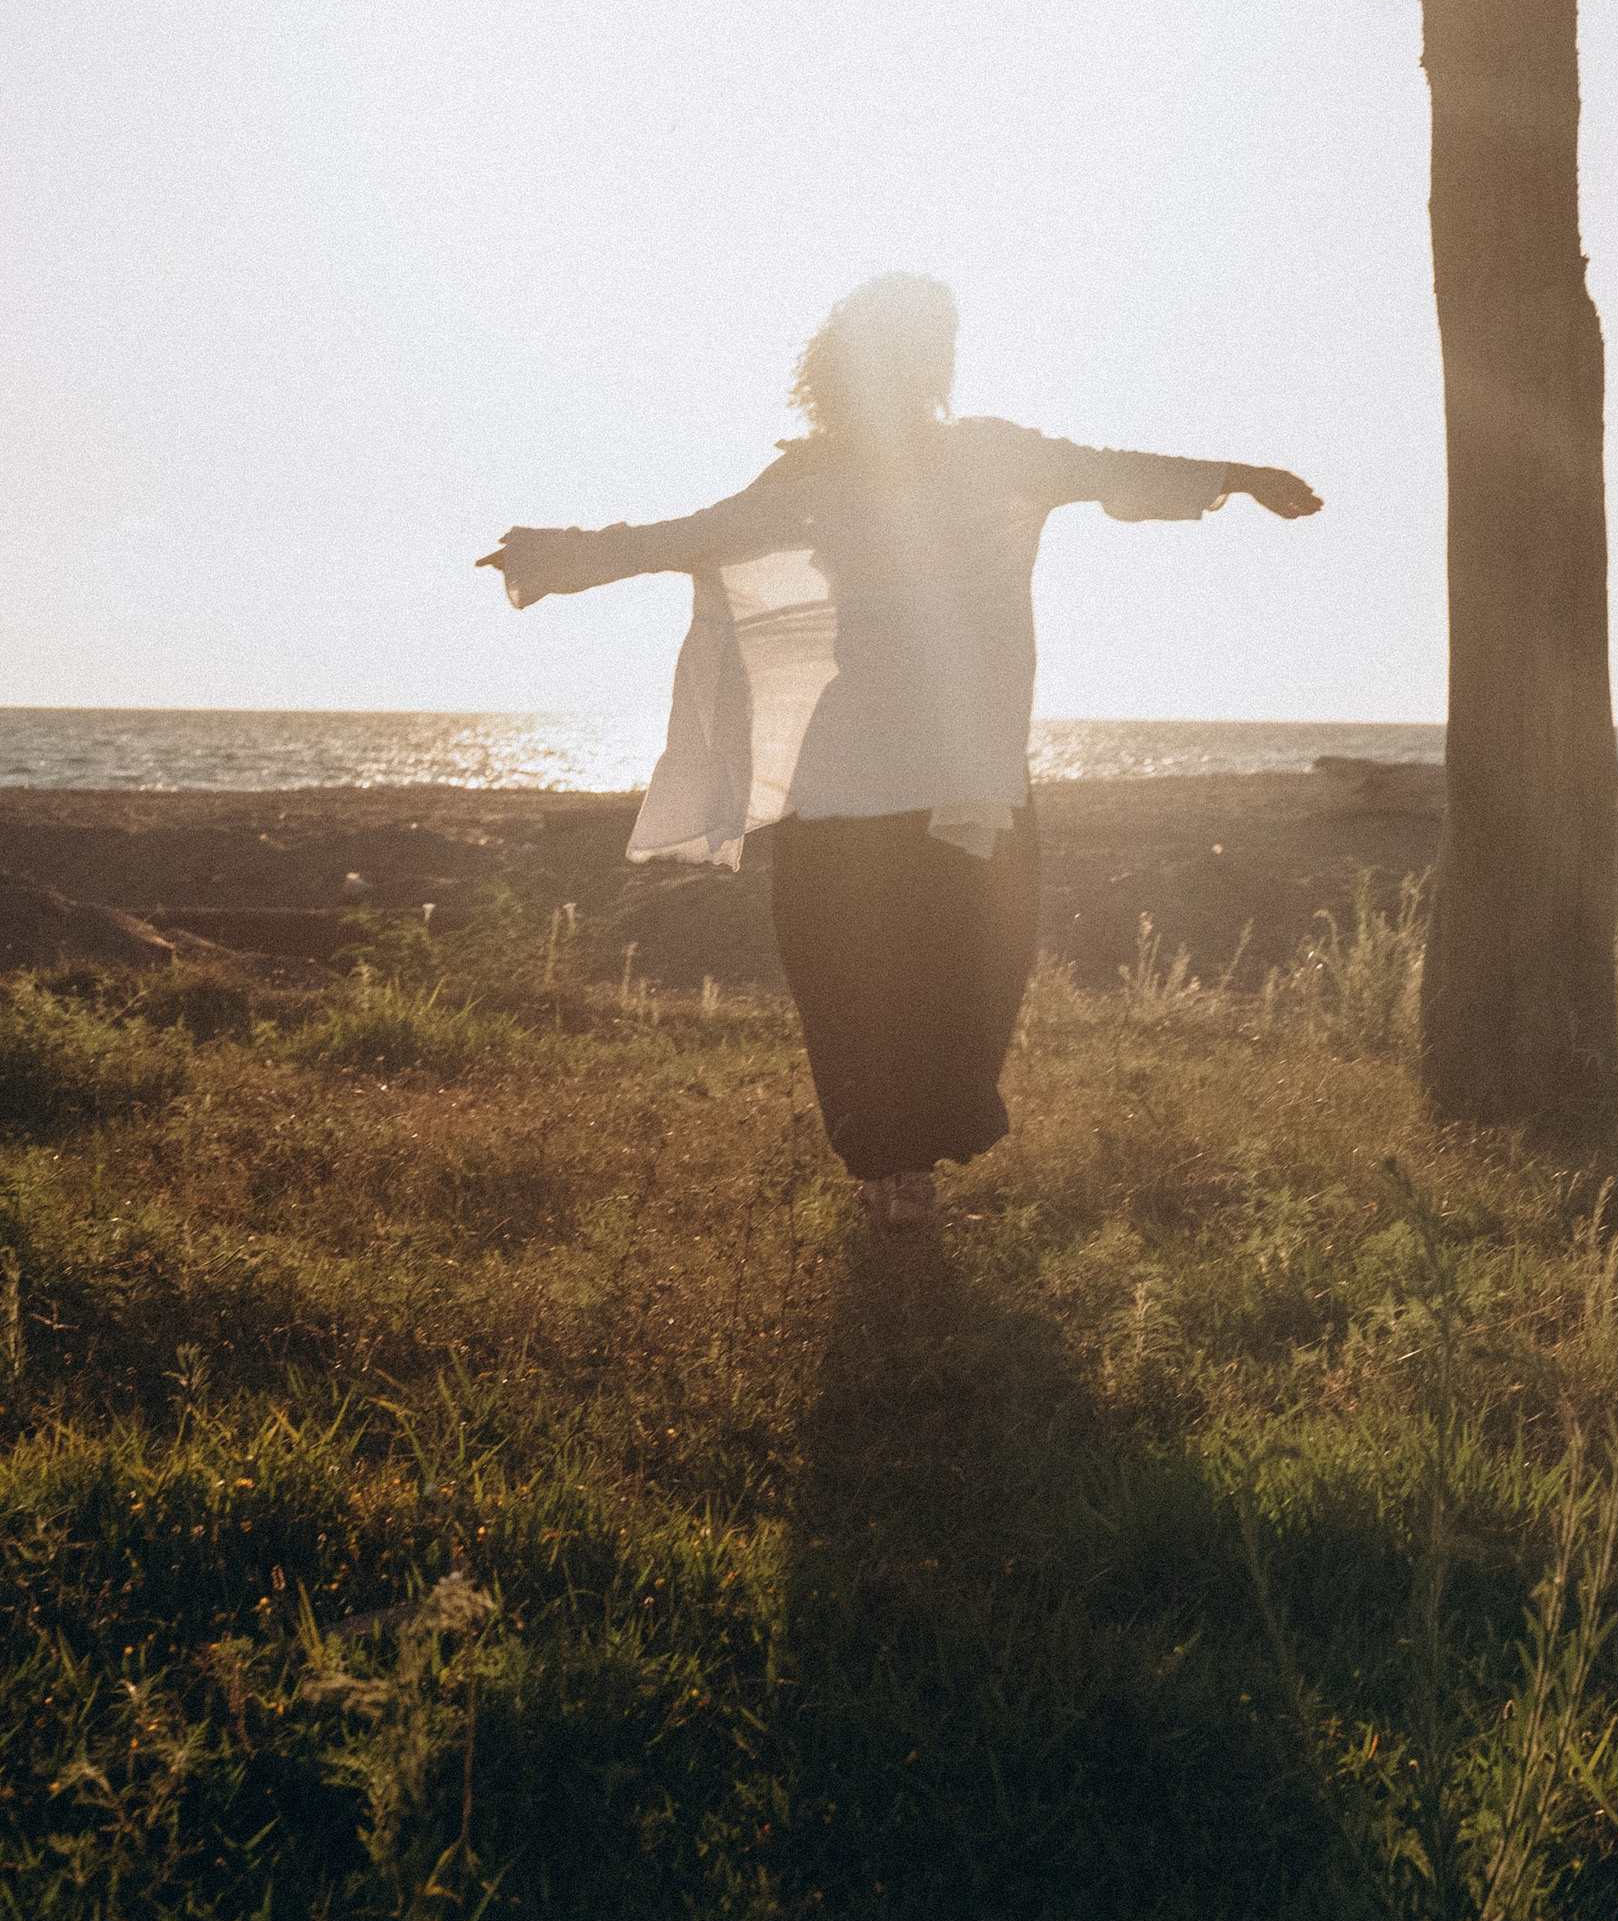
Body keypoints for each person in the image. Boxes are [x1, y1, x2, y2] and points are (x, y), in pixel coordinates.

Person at [479, 276, 1320, 1230]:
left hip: (873, 774)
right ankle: (903, 1177)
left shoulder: (835, 476)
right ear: (929, 364)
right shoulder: (971, 458)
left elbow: (683, 540)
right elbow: (1114, 471)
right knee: (961, 969)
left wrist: (559, 557)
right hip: (953, 773)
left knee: (861, 978)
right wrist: (1240, 478)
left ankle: (895, 1177)